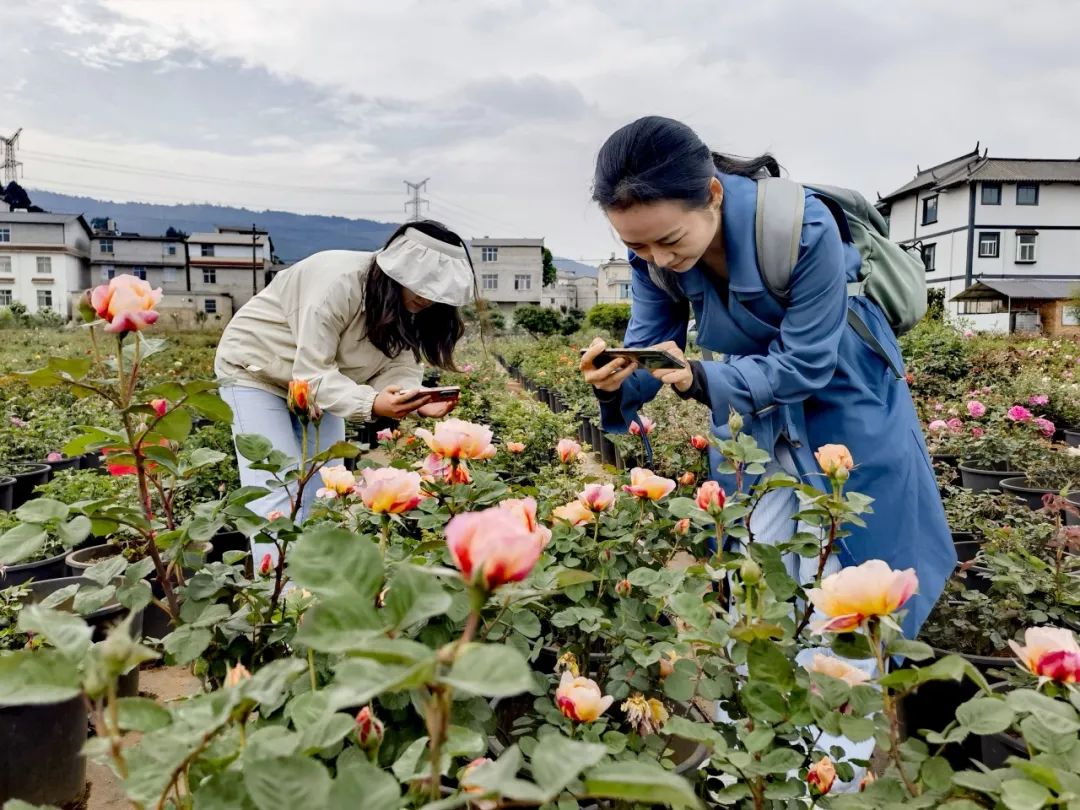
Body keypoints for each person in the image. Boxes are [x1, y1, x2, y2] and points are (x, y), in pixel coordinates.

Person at [579, 116, 955, 640]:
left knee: (855, 558)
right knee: (757, 555)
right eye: (638, 248)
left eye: (667, 240)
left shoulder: (803, 227)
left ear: (712, 194)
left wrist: (702, 381)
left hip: (843, 385)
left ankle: (844, 710)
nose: (657, 259)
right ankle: (762, 709)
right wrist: (619, 380)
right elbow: (653, 350)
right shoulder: (652, 253)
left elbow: (805, 363)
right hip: (751, 403)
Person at [215, 220, 473, 543]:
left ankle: (312, 589)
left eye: (435, 289)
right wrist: (372, 403)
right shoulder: (340, 283)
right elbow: (310, 373)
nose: (426, 296)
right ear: (398, 265)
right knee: (276, 491)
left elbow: (401, 364)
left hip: (327, 383)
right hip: (257, 370)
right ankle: (280, 592)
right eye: (419, 282)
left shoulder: (413, 309)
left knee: (327, 489)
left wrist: (413, 399)